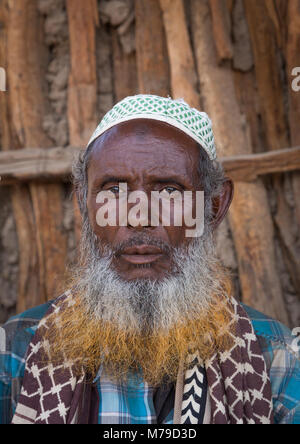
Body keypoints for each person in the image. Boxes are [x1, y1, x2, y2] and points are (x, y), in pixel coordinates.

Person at [1, 95, 299, 424]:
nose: (139, 217)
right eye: (113, 190)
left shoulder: (274, 355)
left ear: (214, 206)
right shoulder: (16, 351)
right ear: (84, 203)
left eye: (169, 191)